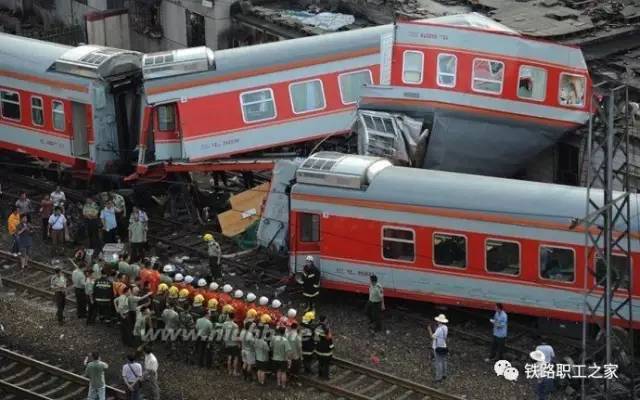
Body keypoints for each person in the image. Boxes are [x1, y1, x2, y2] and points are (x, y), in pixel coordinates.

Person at [429, 314, 449, 383]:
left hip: (438, 347)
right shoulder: (445, 327)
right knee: (444, 361)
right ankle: (444, 374)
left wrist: (429, 330)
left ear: (439, 321)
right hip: (444, 346)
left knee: (438, 363)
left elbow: (433, 337)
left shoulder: (439, 329)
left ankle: (438, 378)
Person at [314, 315, 333, 380]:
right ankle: (326, 376)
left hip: (318, 348)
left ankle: (320, 374)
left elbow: (315, 338)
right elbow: (329, 338)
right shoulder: (327, 328)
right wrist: (332, 346)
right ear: (325, 320)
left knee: (320, 362)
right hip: (326, 349)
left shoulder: (316, 327)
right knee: (326, 364)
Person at [223, 312, 241, 376]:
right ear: (234, 317)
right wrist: (239, 341)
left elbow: (223, 332)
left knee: (229, 357)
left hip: (227, 343)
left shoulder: (224, 324)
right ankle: (234, 372)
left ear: (228, 316)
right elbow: (235, 336)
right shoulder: (235, 326)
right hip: (234, 344)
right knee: (235, 358)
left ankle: (229, 371)